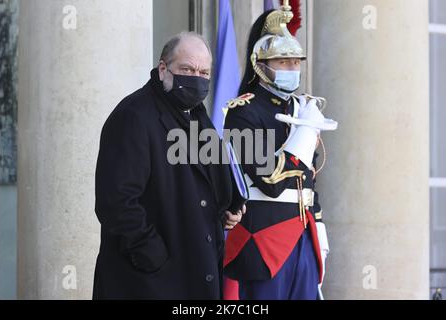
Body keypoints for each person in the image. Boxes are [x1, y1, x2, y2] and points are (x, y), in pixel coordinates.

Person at [93, 32, 245, 299]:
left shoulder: (197, 116)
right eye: (187, 69)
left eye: (203, 73)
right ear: (163, 69)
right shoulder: (134, 116)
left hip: (197, 275)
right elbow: (116, 202)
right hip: (149, 283)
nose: (196, 78)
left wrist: (225, 210)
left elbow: (207, 183)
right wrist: (152, 256)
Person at [223, 5, 330, 300]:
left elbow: (309, 178)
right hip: (263, 238)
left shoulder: (299, 109)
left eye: (296, 62)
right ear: (261, 64)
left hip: (303, 234)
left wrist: (318, 224)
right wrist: (306, 134)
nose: (292, 70)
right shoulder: (243, 113)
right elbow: (270, 181)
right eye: (283, 62)